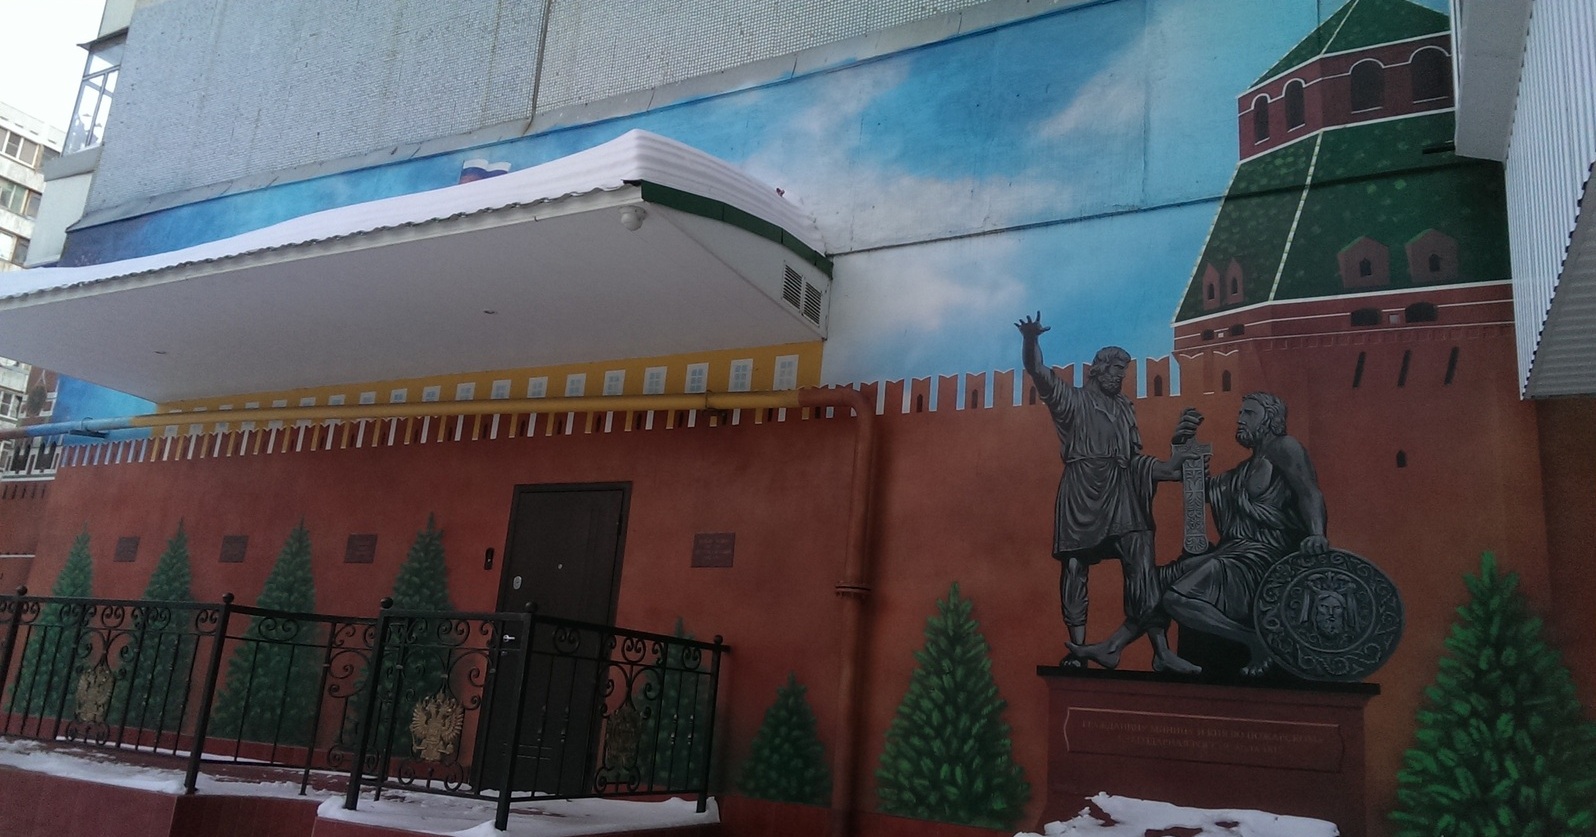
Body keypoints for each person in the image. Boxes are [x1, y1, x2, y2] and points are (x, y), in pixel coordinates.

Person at [1017, 312, 1199, 674]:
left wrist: (1169, 465)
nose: (1120, 377)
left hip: (1120, 488)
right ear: (1098, 370)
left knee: (1140, 558)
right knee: (1075, 567)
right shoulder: (1071, 400)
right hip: (1081, 490)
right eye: (1115, 370)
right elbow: (1037, 371)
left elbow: (1134, 459)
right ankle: (1077, 649)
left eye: (1123, 372)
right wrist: (1031, 339)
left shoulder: (1124, 408)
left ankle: (1160, 651)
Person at [1160, 392, 1329, 676]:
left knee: (1175, 599)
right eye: (1240, 413)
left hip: (1264, 555)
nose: (1240, 419)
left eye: (1248, 413)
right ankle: (1146, 652)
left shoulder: (1285, 447)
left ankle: (1254, 641)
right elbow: (1202, 491)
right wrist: (1183, 446)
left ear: (1270, 419)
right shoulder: (1243, 470)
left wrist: (1317, 534)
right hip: (1235, 553)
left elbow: (1309, 492)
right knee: (1155, 580)